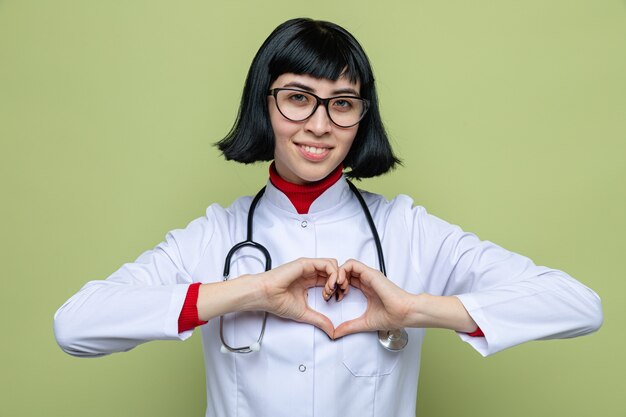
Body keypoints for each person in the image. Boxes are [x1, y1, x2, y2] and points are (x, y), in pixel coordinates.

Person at [53, 17, 603, 417]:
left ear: (361, 118)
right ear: (263, 105)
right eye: (298, 97)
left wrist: (417, 309)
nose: (320, 124)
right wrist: (245, 293)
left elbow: (579, 306)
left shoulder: (406, 230)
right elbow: (75, 326)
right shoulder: (215, 235)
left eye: (342, 102)